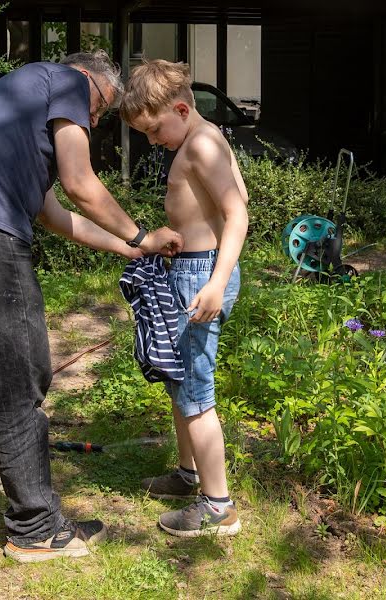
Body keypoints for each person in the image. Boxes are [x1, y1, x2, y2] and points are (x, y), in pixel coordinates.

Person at [0, 50, 183, 563]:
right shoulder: (69, 83)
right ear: (93, 84)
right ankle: (35, 527)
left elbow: (51, 211)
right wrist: (143, 231)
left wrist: (129, 247)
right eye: (100, 112)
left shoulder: (19, 96)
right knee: (16, 372)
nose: (93, 121)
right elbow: (81, 184)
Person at [120, 59, 249, 537]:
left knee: (195, 391)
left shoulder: (200, 144)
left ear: (179, 108)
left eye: (154, 132)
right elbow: (227, 203)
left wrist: (215, 281)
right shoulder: (205, 137)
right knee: (181, 380)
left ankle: (218, 507)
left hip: (201, 278)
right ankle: (188, 472)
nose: (153, 142)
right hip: (192, 265)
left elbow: (238, 215)